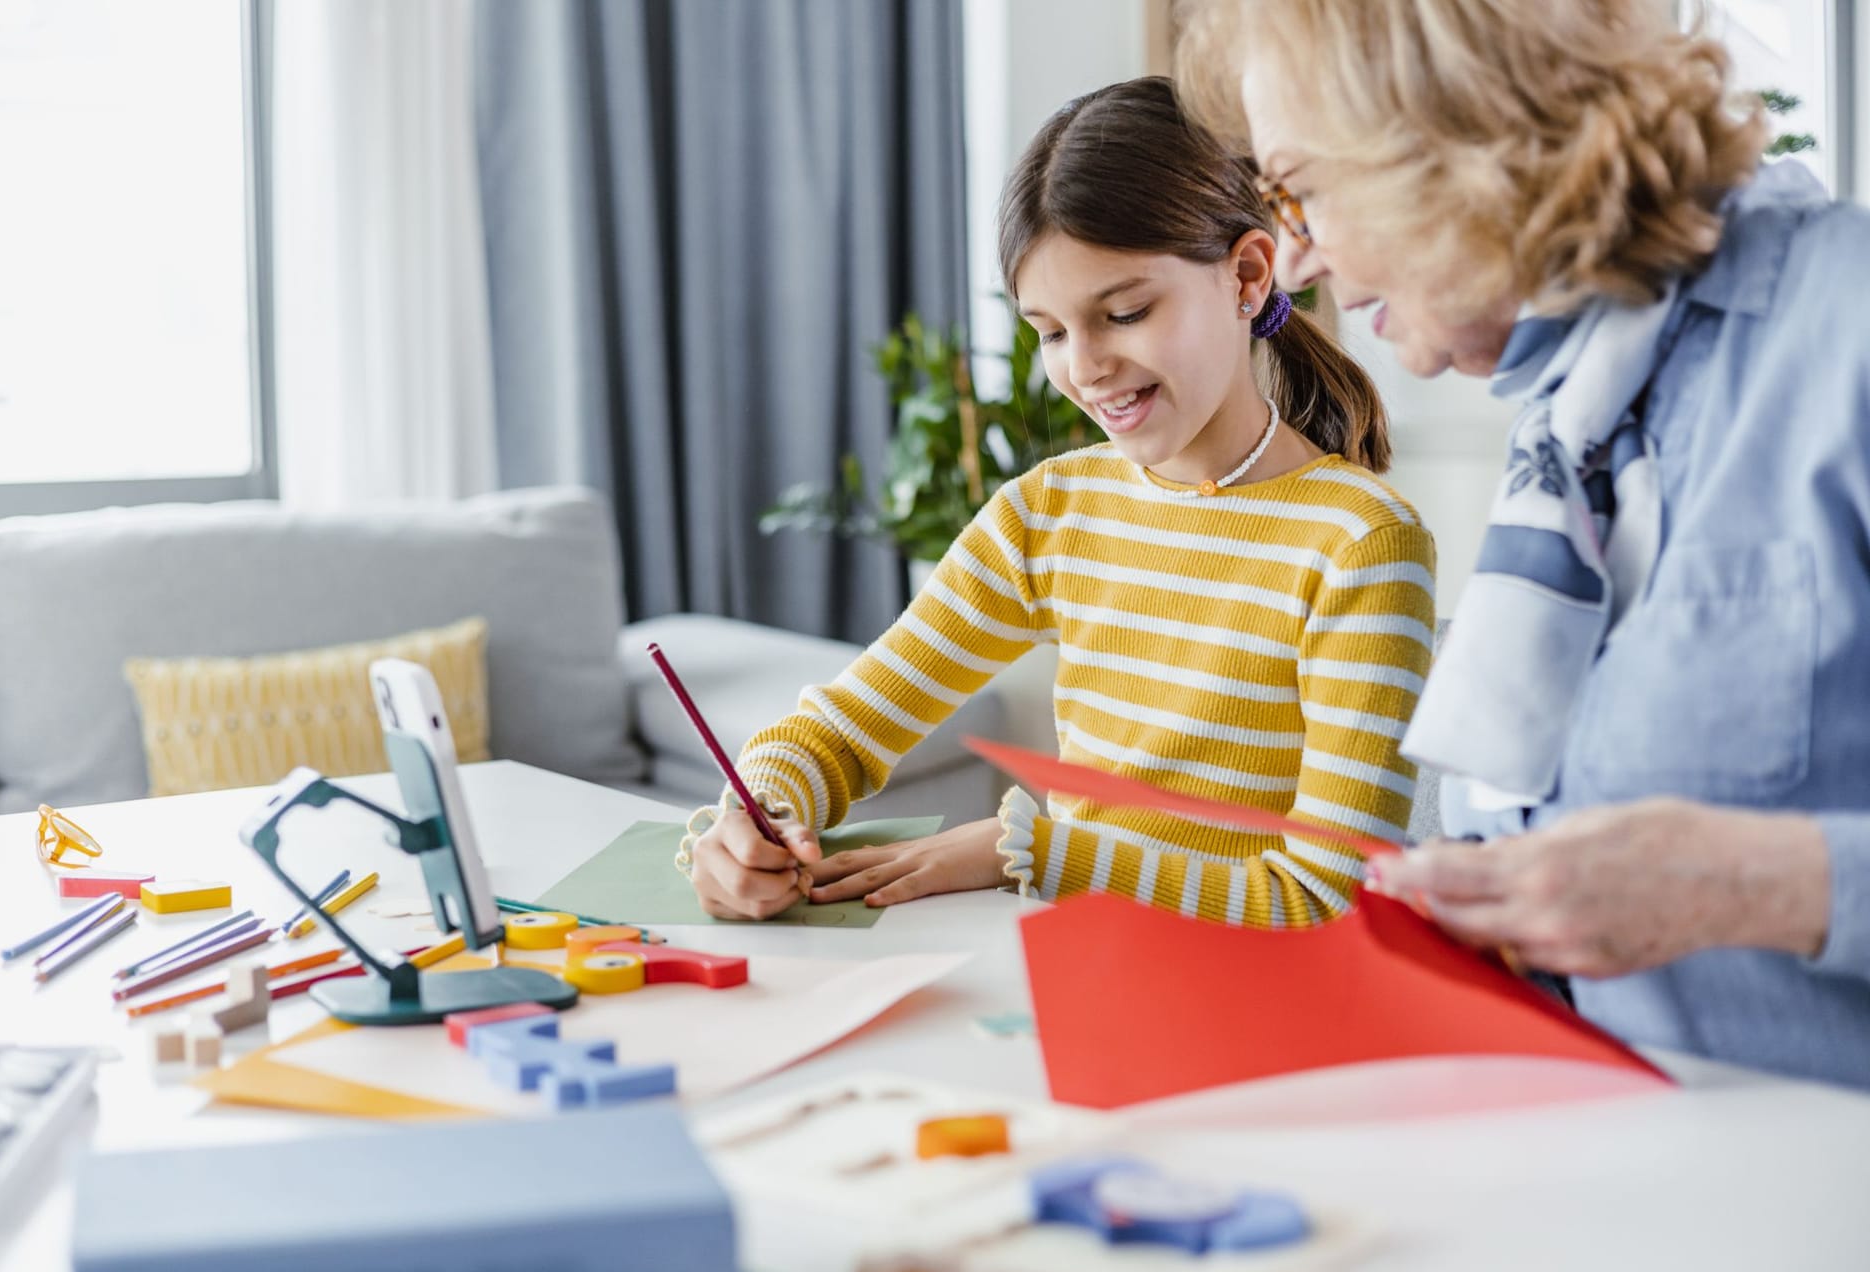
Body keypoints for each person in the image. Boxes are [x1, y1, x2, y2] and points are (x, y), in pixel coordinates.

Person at [1179, 0, 1870, 1087]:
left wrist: (1750, 881)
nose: (1298, 261)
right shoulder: (1576, 417)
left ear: (1456, 131)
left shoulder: (1849, 329)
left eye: (1301, 188)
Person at [680, 77, 1436, 928]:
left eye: (1123, 312)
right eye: (1049, 331)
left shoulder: (1361, 544)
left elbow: (1322, 902)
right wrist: (760, 812)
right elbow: (846, 727)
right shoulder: (1049, 515)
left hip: (1257, 1015)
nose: (1084, 367)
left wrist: (1029, 851)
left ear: (1248, 277)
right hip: (1086, 972)